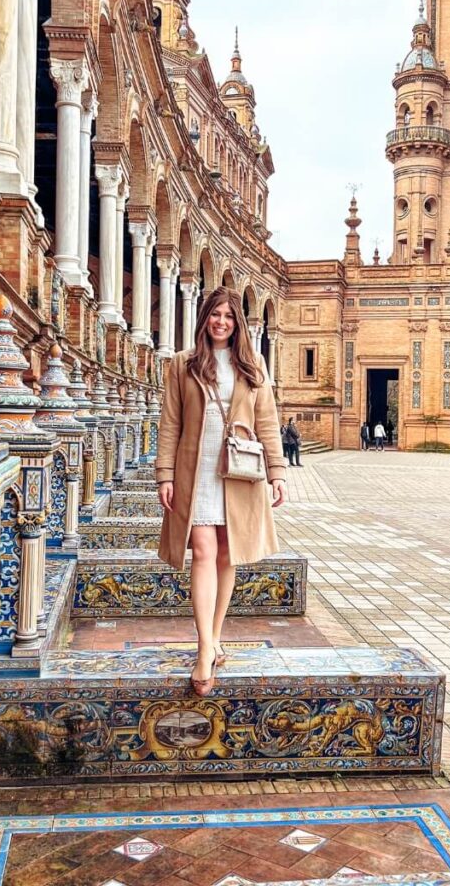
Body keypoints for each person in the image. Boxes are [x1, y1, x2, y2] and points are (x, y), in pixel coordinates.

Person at [156, 287, 287, 697]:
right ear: (205, 318)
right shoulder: (183, 363)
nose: (222, 322)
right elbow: (170, 423)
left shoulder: (253, 364)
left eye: (229, 316)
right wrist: (165, 474)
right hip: (195, 470)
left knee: (228, 553)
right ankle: (202, 648)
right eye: (215, 314)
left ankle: (215, 638)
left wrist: (278, 472)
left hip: (240, 471)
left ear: (238, 323)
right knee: (203, 551)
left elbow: (267, 421)